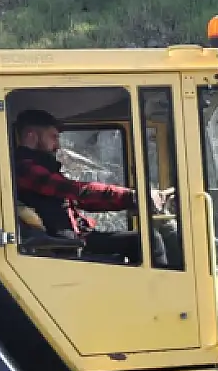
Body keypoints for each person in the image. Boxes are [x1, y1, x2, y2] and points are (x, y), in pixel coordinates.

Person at [12, 109, 158, 264]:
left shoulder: (41, 167)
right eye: (53, 137)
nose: (58, 145)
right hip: (65, 246)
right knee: (150, 242)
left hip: (75, 239)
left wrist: (128, 201)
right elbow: (78, 192)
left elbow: (81, 200)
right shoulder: (25, 169)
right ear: (31, 136)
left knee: (144, 240)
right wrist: (131, 197)